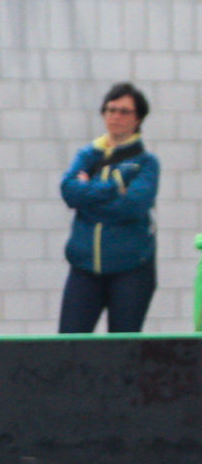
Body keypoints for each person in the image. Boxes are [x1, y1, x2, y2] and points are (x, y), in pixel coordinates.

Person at [58, 82, 159, 333]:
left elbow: (132, 206)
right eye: (111, 110)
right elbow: (69, 191)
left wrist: (88, 197)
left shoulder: (145, 163)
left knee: (123, 346)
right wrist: (113, 187)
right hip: (84, 267)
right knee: (69, 343)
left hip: (130, 269)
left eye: (124, 111)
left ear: (137, 118)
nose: (116, 116)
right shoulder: (88, 154)